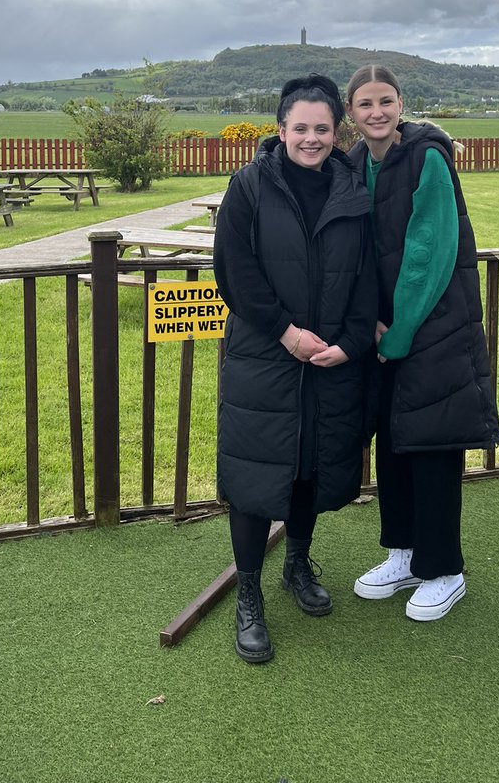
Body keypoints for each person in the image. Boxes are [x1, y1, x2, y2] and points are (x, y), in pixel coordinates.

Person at [214, 74, 378, 664]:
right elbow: (235, 271)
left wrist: (350, 344)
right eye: (301, 127)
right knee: (254, 478)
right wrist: (287, 333)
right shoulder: (249, 187)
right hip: (264, 358)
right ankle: (249, 595)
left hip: (329, 360)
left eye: (323, 129)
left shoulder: (351, 190)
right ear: (281, 130)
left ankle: (297, 564)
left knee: (311, 466)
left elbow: (366, 279)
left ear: (338, 133)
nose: (312, 138)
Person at [345, 64, 499, 622]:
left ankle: (444, 570)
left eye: (386, 101)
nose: (377, 112)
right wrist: (371, 324)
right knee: (394, 440)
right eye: (365, 103)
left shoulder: (427, 157)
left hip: (434, 327)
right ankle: (404, 554)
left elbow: (428, 253)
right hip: (384, 331)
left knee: (433, 444)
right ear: (351, 113)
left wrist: (401, 332)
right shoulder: (356, 162)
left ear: (401, 104)